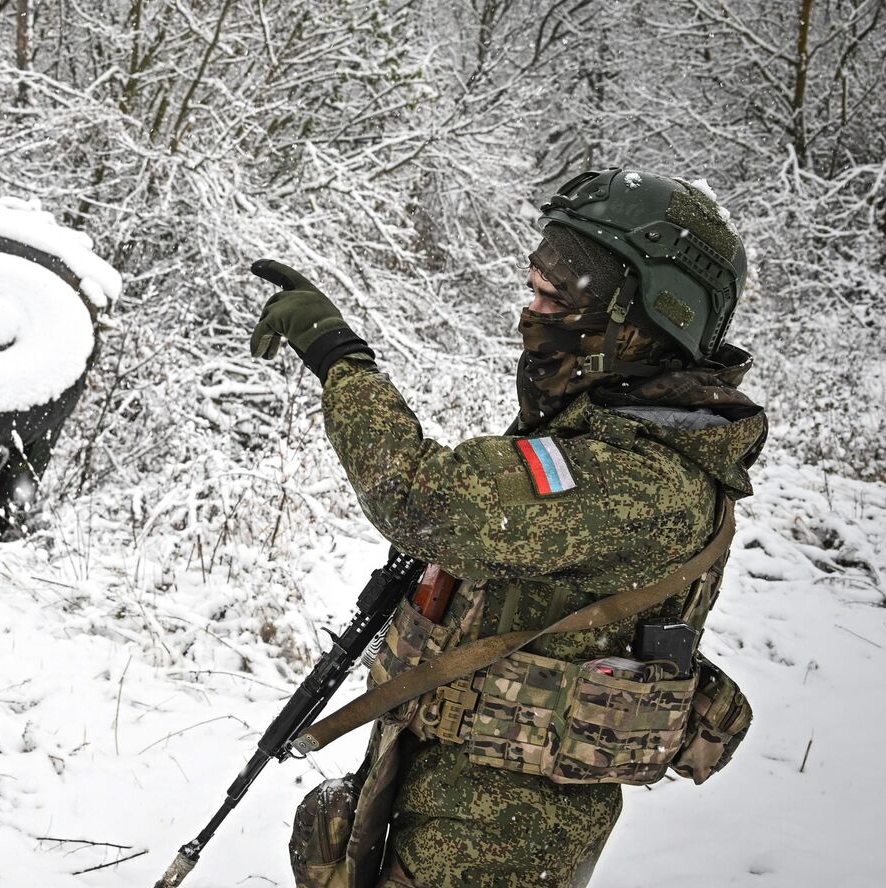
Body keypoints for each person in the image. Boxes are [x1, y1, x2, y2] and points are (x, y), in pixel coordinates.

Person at [253, 167, 764, 888]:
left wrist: (340, 357)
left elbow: (424, 500)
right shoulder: (612, 438)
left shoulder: (642, 479)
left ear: (647, 319)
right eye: (536, 289)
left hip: (498, 844)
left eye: (556, 297)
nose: (531, 313)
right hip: (451, 801)